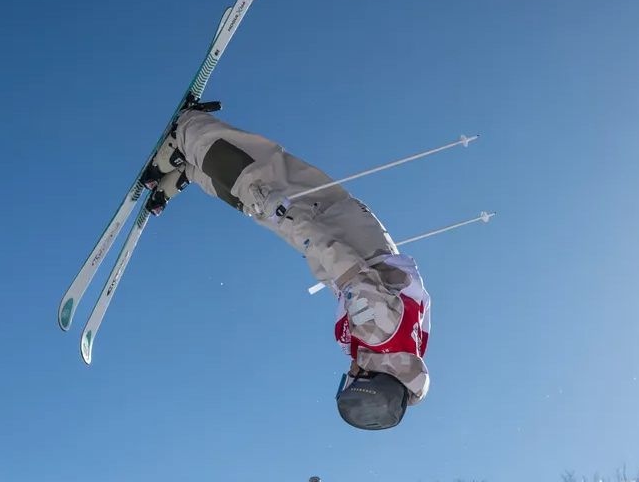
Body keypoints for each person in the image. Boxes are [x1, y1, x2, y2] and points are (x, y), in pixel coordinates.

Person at [145, 108, 431, 430]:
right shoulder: (378, 334)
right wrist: (290, 219)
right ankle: (186, 131)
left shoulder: (400, 357)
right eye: (350, 383)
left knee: (259, 203)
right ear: (369, 382)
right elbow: (340, 258)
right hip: (340, 233)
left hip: (359, 237)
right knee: (262, 185)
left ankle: (192, 168)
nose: (348, 376)